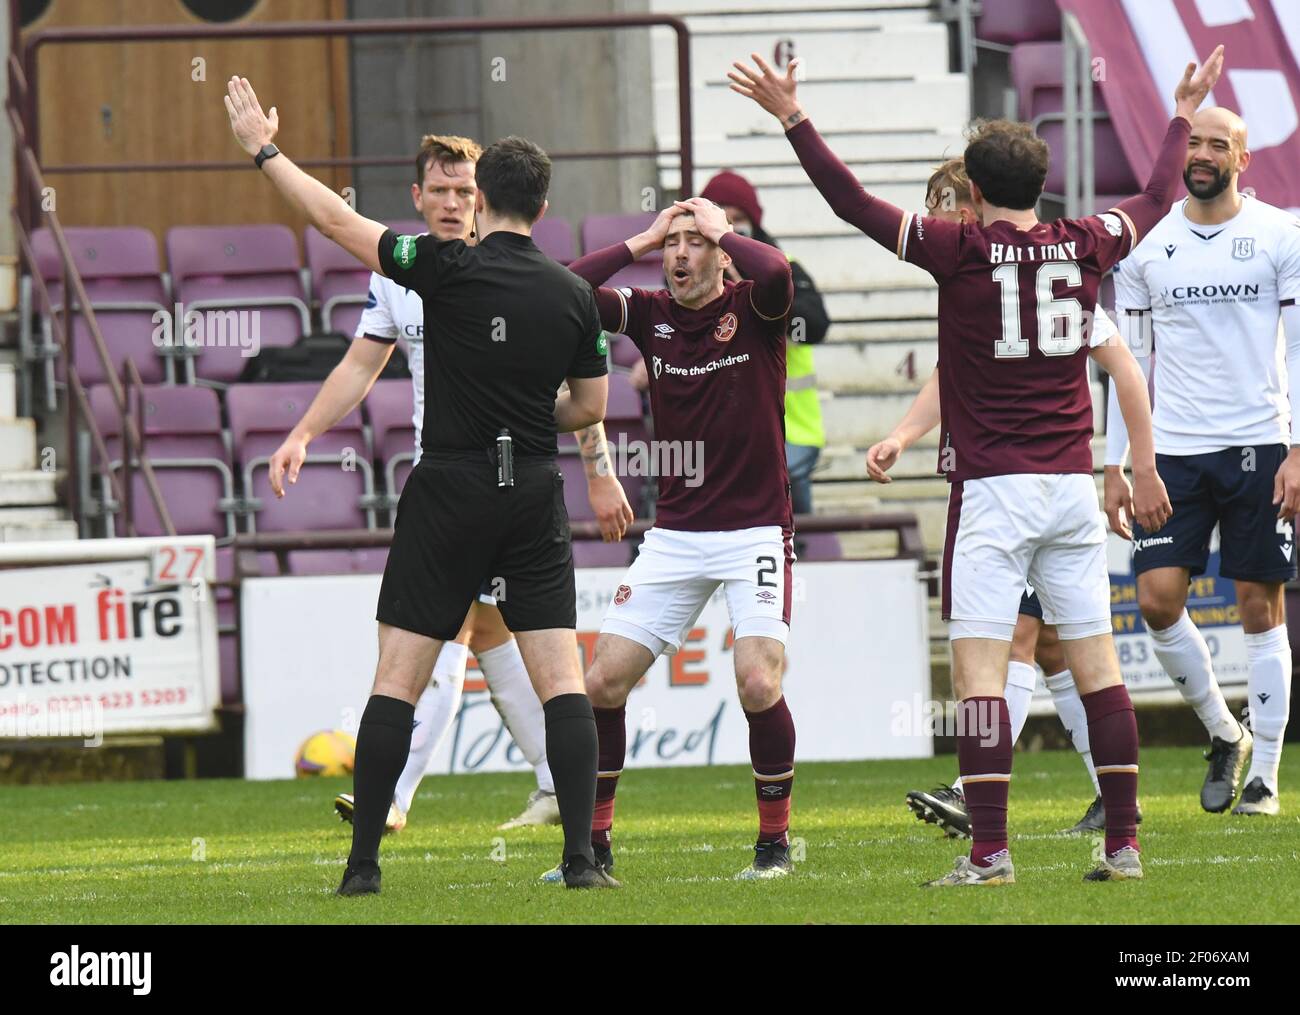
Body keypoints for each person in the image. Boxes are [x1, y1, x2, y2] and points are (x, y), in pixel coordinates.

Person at [732, 44, 1223, 884]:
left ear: (978, 192)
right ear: (1039, 185)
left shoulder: (955, 250)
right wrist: (1180, 114)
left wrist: (792, 117)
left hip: (993, 490)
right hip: (1071, 487)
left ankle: (990, 851)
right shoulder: (1087, 242)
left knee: (981, 675)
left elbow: (849, 201)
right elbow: (1155, 194)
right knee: (1100, 669)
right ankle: (1125, 843)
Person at [224, 76, 618, 892]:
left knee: (397, 677)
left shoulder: (438, 268)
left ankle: (363, 866)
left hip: (449, 487)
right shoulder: (576, 294)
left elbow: (334, 219)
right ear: (542, 209)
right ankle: (582, 859)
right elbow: (589, 407)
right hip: (533, 488)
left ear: (484, 201)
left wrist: (265, 151)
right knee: (562, 681)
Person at [871, 159, 1136, 837]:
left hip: (1011, 487)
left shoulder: (1006, 266)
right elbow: (947, 374)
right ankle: (1113, 815)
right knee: (1053, 650)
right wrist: (902, 435)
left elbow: (1123, 364)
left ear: (978, 202)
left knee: (1010, 647)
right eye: (930, 203)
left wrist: (1130, 466)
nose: (937, 215)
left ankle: (980, 809)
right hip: (1015, 480)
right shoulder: (979, 274)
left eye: (946, 202)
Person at [552, 197, 798, 881]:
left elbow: (779, 274)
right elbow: (564, 290)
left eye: (696, 243)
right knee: (601, 681)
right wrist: (640, 239)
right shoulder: (651, 313)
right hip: (678, 534)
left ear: (723, 253)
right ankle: (595, 846)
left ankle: (773, 845)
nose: (681, 254)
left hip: (754, 530)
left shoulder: (756, 306)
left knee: (756, 678)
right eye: (674, 244)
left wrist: (722, 230)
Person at [1105, 106, 1300, 817]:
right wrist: (1117, 462)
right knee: (1156, 599)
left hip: (1259, 443)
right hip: (1173, 451)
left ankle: (1267, 776)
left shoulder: (1280, 234)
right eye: (1194, 141)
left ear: (1243, 158)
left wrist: (1299, 449)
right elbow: (1123, 362)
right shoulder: (1147, 246)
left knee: (1258, 605)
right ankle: (1226, 730)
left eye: (1220, 143)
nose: (1204, 152)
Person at [700, 170, 830, 519]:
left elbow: (815, 326)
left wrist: (763, 291)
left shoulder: (787, 270)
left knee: (787, 516)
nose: (731, 231)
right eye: (722, 221)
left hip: (790, 429)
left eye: (738, 220)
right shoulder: (688, 277)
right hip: (717, 427)